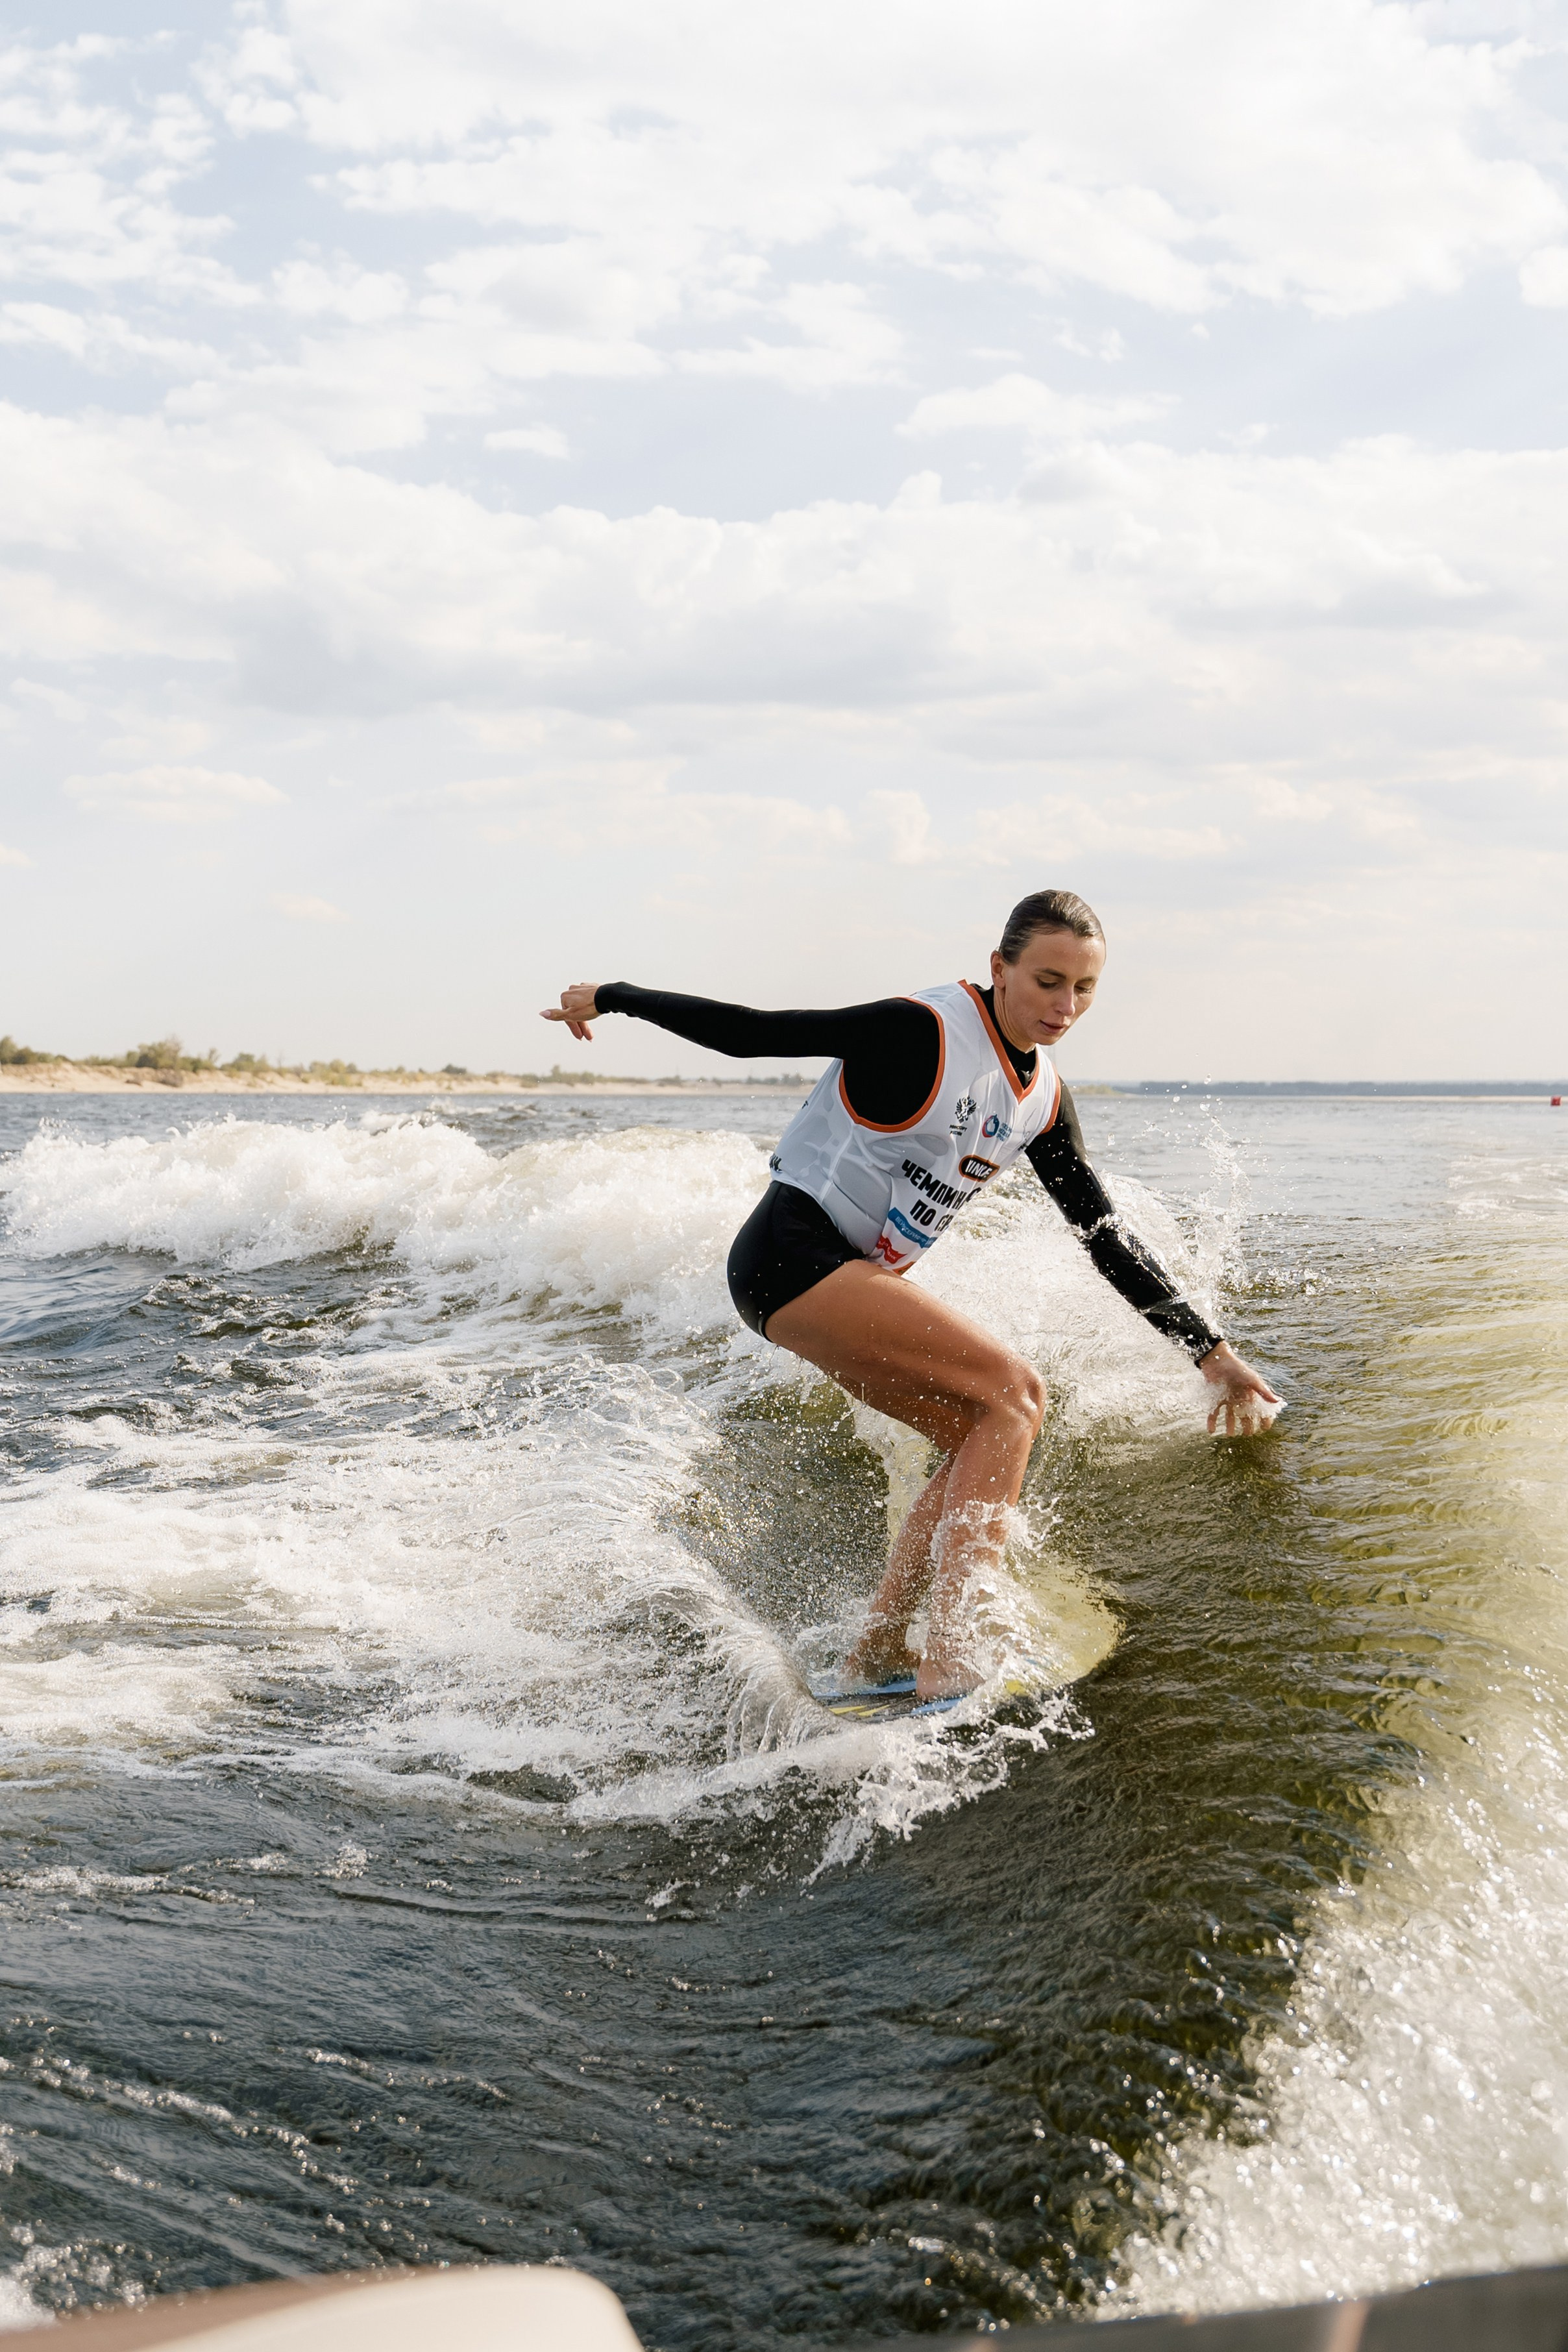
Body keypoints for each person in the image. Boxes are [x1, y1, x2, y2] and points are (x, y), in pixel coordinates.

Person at [543, 888, 1279, 1700]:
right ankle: (955, 1654)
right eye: (1045, 980)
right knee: (1015, 1394)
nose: (1064, 1006)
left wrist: (1211, 1352)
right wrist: (615, 998)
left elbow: (1101, 1233)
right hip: (789, 1255)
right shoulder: (923, 1029)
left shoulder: (1041, 1099)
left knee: (979, 1433)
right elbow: (757, 1032)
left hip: (833, 1282)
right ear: (998, 969)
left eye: (1083, 989)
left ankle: (878, 1651)